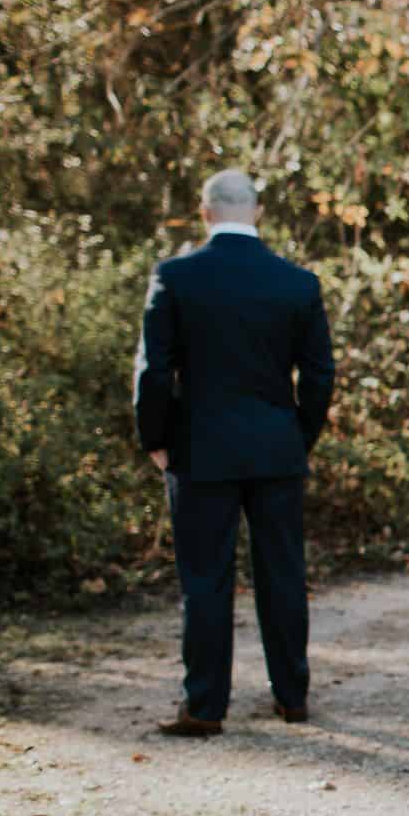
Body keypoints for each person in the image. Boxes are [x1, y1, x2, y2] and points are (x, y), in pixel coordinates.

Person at [133, 169, 335, 737]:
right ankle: (292, 697)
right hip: (276, 449)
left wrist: (156, 440)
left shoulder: (176, 277)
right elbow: (320, 374)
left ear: (204, 213)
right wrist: (299, 435)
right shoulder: (297, 283)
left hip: (199, 452)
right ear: (259, 212)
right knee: (283, 573)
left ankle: (204, 706)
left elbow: (154, 372)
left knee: (205, 578)